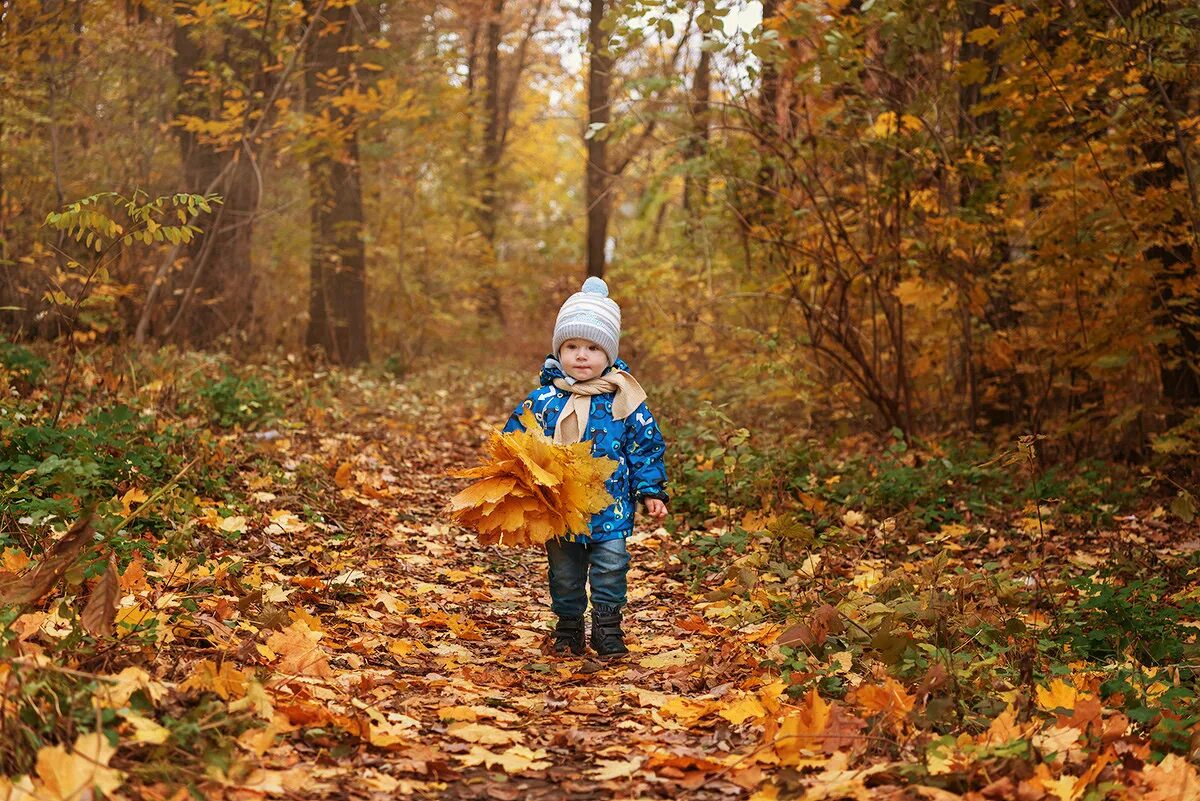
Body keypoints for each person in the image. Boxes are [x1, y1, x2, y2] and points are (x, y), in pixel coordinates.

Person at [504, 277, 669, 658]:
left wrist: (651, 491)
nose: (581, 355)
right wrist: (518, 484)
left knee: (612, 566)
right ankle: (569, 629)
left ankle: (608, 629)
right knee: (565, 574)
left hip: (610, 506)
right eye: (572, 346)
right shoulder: (543, 400)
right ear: (559, 350)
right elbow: (516, 442)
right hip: (560, 507)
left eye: (593, 348)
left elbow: (644, 446)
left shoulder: (623, 399)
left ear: (608, 355)